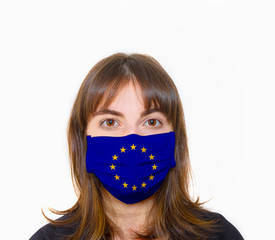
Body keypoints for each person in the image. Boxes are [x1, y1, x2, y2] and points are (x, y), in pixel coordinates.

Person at [30, 52, 244, 240]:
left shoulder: (220, 235)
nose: (132, 139)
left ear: (174, 139)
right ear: (82, 139)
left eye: (151, 122)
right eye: (110, 122)